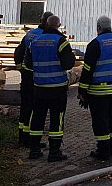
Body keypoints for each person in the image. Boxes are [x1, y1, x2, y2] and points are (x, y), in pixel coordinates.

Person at [78, 16, 112, 160]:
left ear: (98, 27)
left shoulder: (95, 44)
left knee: (101, 120)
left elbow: (88, 70)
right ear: (110, 27)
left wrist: (82, 91)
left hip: (98, 91)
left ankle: (103, 152)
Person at [25, 15, 75, 161]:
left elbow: (28, 64)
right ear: (59, 26)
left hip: (39, 87)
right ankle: (54, 152)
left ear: (46, 24)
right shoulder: (61, 42)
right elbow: (68, 64)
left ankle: (34, 150)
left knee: (37, 118)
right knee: (56, 119)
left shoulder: (34, 41)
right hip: (57, 88)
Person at [13, 11, 53, 148]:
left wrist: (21, 69)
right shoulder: (45, 36)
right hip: (37, 78)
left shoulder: (30, 34)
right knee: (34, 108)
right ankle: (30, 139)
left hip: (27, 76)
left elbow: (18, 53)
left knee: (25, 106)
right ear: (48, 23)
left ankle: (22, 137)